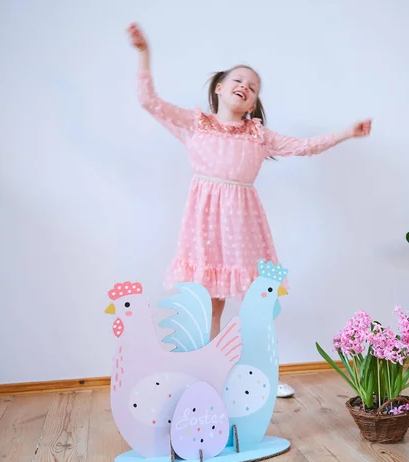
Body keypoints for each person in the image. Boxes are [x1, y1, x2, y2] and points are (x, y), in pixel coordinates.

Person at [127, 23, 372, 398]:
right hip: (205, 220)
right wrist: (144, 53)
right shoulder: (196, 125)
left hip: (243, 222)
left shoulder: (258, 134)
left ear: (253, 104)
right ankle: (207, 371)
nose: (245, 85)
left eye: (253, 86)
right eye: (238, 79)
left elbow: (303, 146)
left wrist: (345, 133)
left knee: (258, 300)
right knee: (210, 299)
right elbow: (149, 101)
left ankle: (259, 374)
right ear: (219, 88)